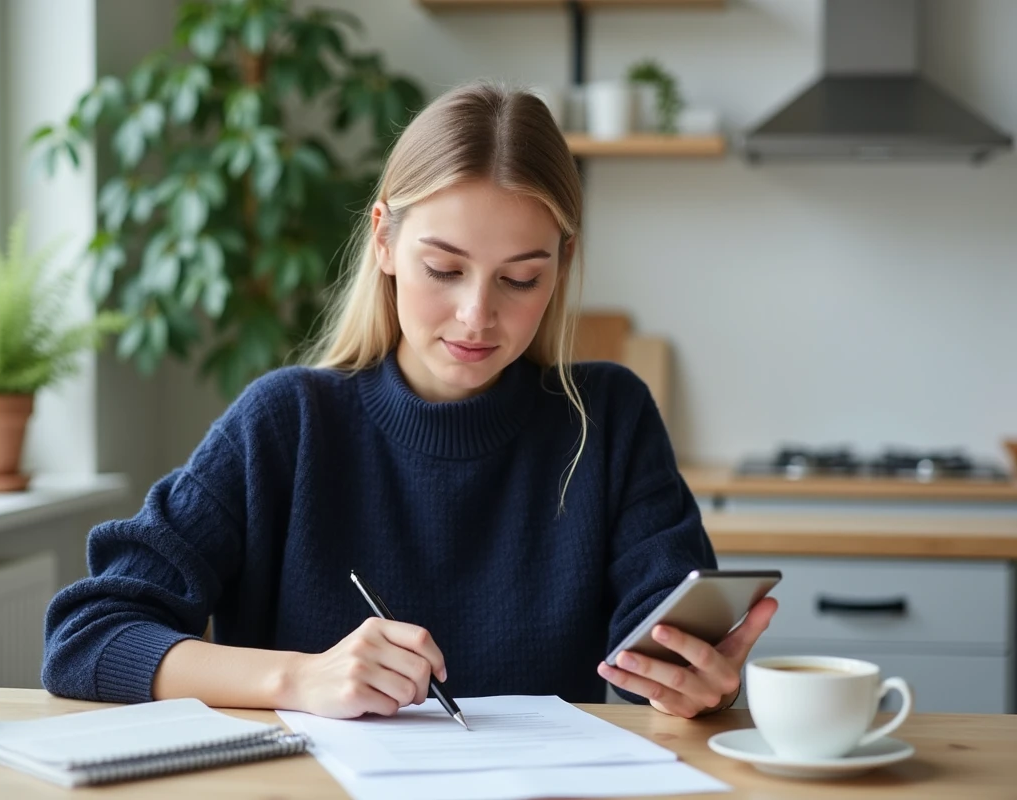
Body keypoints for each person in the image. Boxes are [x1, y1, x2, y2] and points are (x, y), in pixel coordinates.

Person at [42, 81, 777, 721]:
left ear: (563, 264)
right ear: (385, 242)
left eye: (520, 279)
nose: (475, 316)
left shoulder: (608, 420)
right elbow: (88, 635)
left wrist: (698, 684)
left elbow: (672, 640)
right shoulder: (286, 423)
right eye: (443, 269)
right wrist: (301, 677)